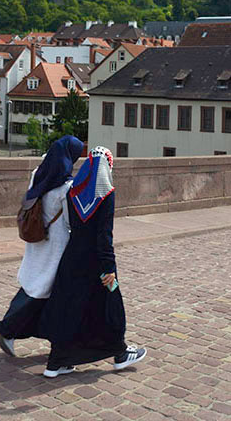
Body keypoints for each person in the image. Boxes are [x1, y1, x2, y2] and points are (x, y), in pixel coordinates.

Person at [37, 146, 146, 378]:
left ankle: (56, 362)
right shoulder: (106, 194)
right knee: (111, 305)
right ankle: (120, 353)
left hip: (72, 259)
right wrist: (108, 268)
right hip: (98, 265)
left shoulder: (73, 191)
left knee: (70, 309)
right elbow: (104, 235)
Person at [0, 136, 85, 358]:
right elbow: (69, 222)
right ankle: (8, 327)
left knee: (35, 284)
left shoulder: (39, 173)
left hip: (37, 235)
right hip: (56, 243)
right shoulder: (67, 187)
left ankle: (52, 336)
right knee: (42, 289)